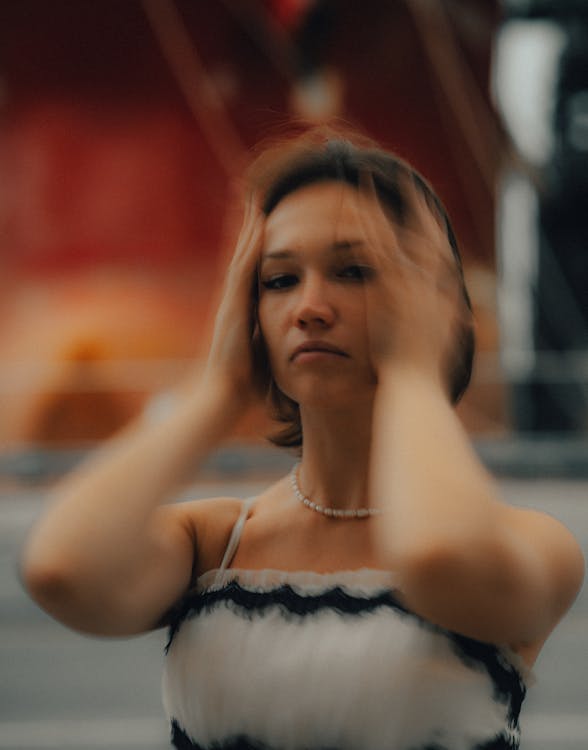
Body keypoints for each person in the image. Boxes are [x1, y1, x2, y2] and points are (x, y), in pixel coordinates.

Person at [20, 125, 584, 750]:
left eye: (352, 270)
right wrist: (220, 389)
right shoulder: (215, 543)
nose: (309, 306)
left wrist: (414, 372)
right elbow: (60, 569)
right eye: (280, 280)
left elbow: (439, 557)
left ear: (435, 303)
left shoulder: (534, 546)